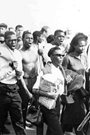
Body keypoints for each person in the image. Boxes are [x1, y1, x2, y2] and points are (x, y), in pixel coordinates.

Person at [0, 31, 33, 135]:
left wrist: (19, 72)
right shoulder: (1, 50)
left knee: (18, 117)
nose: (13, 42)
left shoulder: (18, 53)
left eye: (15, 40)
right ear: (5, 40)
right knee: (1, 116)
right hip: (2, 88)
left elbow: (20, 74)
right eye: (10, 40)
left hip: (14, 87)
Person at [33, 46, 67, 135]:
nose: (61, 57)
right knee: (57, 131)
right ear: (51, 56)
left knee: (51, 130)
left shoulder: (60, 69)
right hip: (48, 104)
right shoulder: (46, 70)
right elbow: (35, 89)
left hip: (57, 103)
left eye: (63, 55)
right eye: (58, 55)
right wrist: (48, 95)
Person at [61, 32, 88, 135]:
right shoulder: (67, 58)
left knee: (75, 118)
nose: (82, 48)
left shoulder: (84, 57)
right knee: (75, 118)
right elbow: (63, 74)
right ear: (74, 45)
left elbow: (84, 73)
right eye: (80, 46)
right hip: (71, 94)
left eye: (84, 45)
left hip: (82, 92)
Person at [20, 30, 39, 127]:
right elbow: (19, 74)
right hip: (25, 80)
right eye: (27, 38)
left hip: (34, 80)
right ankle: (22, 124)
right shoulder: (19, 53)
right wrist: (25, 88)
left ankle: (29, 119)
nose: (30, 40)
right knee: (24, 103)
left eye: (31, 38)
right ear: (22, 39)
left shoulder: (34, 52)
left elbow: (37, 67)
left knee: (35, 103)